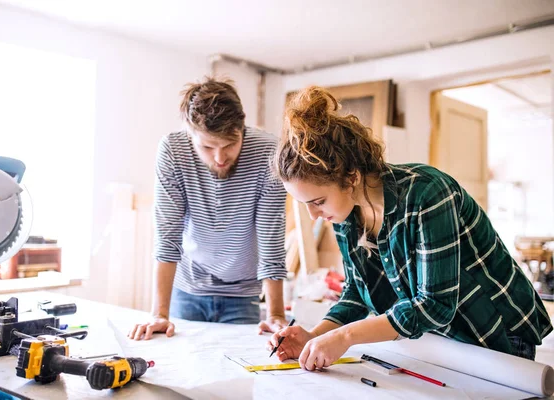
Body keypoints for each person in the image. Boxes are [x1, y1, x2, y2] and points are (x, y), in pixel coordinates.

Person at [267, 86, 553, 370]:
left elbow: (435, 305)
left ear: (351, 177)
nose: (313, 215)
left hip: (496, 333)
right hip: (441, 340)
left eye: (317, 201)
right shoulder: (345, 215)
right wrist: (315, 336)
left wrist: (345, 336)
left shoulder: (426, 193)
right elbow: (357, 292)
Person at [129, 77, 288, 340]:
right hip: (188, 287)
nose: (219, 158)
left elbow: (271, 237)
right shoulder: (172, 150)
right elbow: (168, 235)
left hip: (243, 292)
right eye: (207, 147)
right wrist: (159, 313)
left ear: (242, 128)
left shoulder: (269, 153)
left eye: (229, 145)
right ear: (189, 133)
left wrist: (276, 316)